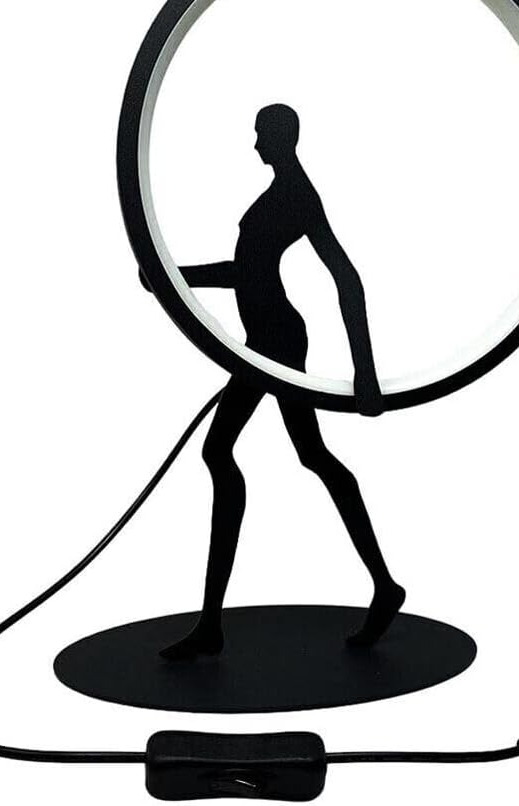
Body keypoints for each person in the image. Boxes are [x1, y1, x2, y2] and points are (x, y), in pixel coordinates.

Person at [143, 104, 405, 659]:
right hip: (263, 341)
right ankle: (379, 587)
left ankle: (217, 623)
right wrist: (176, 279)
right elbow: (247, 274)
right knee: (301, 455)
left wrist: (365, 374)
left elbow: (347, 278)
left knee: (241, 452)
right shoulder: (281, 193)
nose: (255, 144)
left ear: (282, 138)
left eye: (261, 134)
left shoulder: (298, 196)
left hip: (277, 343)